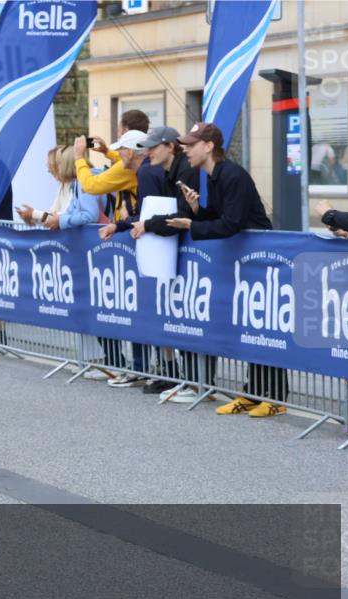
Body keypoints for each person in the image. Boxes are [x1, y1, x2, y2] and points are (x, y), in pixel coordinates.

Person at [164, 122, 288, 418]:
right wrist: (198, 210)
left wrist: (192, 224)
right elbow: (221, 216)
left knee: (265, 327)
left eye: (191, 145)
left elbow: (231, 224)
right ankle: (253, 392)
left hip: (261, 259)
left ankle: (276, 397)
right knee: (250, 327)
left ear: (209, 146)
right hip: (245, 260)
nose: (185, 150)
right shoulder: (214, 176)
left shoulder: (232, 175)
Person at [125, 126, 203, 400]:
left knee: (193, 316)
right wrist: (128, 224)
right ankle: (185, 380)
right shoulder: (170, 171)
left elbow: (179, 216)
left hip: (196, 248)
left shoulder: (186, 170)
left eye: (153, 147)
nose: (148, 152)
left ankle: (197, 383)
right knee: (178, 314)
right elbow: (166, 214)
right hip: (175, 250)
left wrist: (147, 225)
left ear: (170, 146)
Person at [74, 119, 152, 387]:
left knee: (138, 306)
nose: (118, 153)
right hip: (130, 233)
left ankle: (141, 368)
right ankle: (142, 367)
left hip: (133, 235)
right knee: (134, 305)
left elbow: (91, 185)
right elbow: (124, 164)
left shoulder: (136, 169)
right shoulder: (138, 163)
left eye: (121, 146)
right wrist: (107, 152)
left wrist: (79, 158)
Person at [18, 145, 102, 230]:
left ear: (68, 164)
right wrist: (34, 218)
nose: (50, 170)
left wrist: (34, 214)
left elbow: (87, 216)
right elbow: (61, 216)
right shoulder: (71, 185)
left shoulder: (83, 181)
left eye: (56, 164)